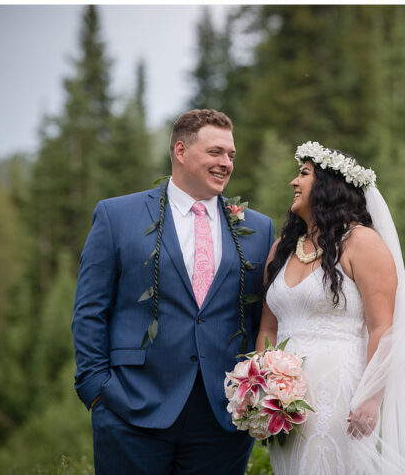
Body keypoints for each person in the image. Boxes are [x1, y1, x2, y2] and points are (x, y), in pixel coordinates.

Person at [71, 109, 276, 475]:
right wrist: (96, 390)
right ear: (180, 151)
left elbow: (263, 317)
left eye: (231, 155)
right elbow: (90, 311)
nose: (225, 163)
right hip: (131, 406)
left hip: (222, 416)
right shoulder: (117, 216)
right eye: (215, 152)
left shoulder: (259, 228)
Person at [257, 141, 405, 474]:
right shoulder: (282, 248)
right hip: (284, 407)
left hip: (340, 396)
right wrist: (260, 388)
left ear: (329, 186)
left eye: (304, 174)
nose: (294, 182)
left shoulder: (361, 242)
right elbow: (268, 328)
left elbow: (384, 327)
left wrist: (369, 396)